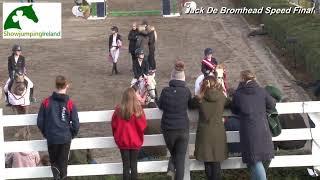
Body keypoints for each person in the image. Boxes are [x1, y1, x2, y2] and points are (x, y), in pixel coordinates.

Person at [232, 70, 275, 180]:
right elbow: (272, 104)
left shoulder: (238, 94)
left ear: (242, 79)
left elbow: (235, 110)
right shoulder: (262, 91)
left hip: (248, 130)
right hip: (262, 128)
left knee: (255, 160)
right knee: (254, 161)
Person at [37, 75, 80, 180]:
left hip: (52, 137)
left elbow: (40, 121)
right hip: (65, 137)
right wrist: (71, 134)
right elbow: (76, 123)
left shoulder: (46, 102)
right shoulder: (69, 103)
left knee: (55, 163)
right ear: (67, 85)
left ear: (56, 85)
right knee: (63, 163)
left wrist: (46, 133)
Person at [157, 61, 192, 180]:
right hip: (182, 128)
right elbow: (191, 105)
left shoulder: (165, 91)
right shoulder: (186, 91)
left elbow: (160, 106)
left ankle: (171, 168)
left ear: (172, 77)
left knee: (174, 154)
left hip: (168, 129)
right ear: (183, 78)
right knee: (180, 159)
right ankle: (172, 168)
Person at [189, 76, 228, 180]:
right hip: (218, 132)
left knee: (208, 162)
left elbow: (190, 104)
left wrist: (200, 92)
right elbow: (231, 104)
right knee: (216, 163)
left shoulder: (200, 98)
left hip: (204, 133)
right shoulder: (221, 97)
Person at [112, 87, 147, 180]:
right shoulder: (139, 110)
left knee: (126, 167)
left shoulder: (118, 110)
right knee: (134, 166)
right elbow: (143, 126)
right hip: (135, 142)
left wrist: (117, 137)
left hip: (123, 142)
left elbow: (114, 125)